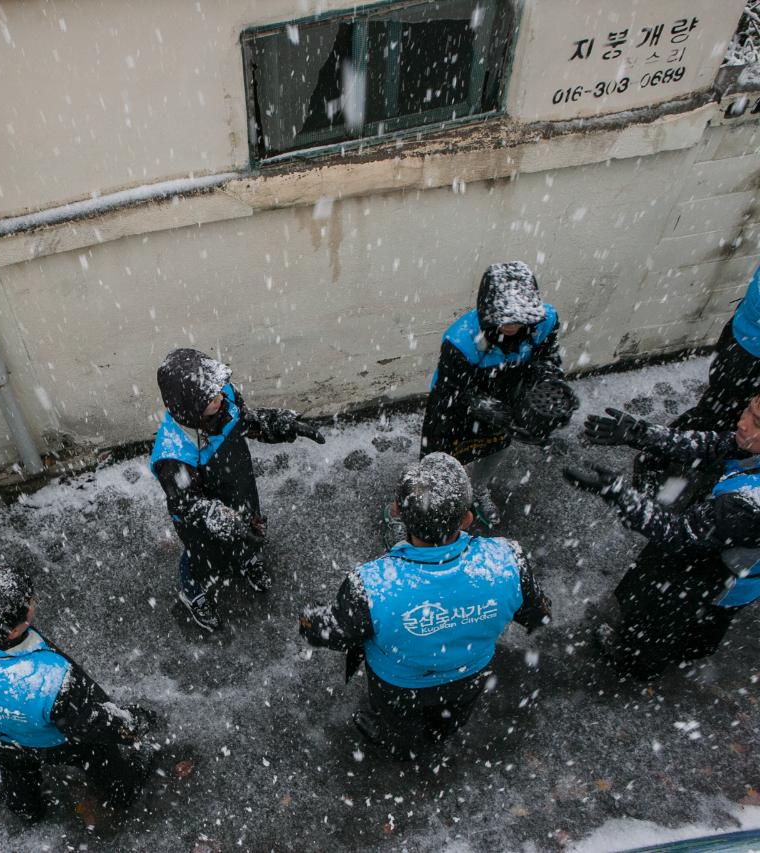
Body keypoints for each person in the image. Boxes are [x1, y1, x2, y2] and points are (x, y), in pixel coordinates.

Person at [300, 453, 551, 759]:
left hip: (397, 683)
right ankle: (438, 735)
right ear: (467, 519)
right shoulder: (508, 561)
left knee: (396, 720)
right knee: (454, 714)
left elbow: (338, 632)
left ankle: (398, 744)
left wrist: (309, 620)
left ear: (397, 513)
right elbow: (538, 614)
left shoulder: (370, 584)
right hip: (470, 673)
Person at [0, 565, 157, 822]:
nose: (35, 601)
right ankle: (122, 791)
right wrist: (132, 723)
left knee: (16, 772)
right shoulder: (49, 681)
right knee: (100, 758)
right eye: (31, 601)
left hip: (3, 737)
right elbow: (88, 724)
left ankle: (25, 808)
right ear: (13, 631)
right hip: (54, 743)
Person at [564, 393, 760, 679]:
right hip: (741, 573)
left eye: (756, 422)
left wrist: (621, 497)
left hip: (715, 572)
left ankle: (635, 663)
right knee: (709, 619)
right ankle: (691, 647)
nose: (742, 423)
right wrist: (640, 433)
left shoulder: (748, 505)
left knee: (659, 615)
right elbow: (709, 445)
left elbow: (677, 534)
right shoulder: (752, 446)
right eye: (747, 409)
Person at [150, 348, 326, 631]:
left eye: (220, 389)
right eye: (211, 397)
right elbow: (186, 504)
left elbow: (245, 421)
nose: (221, 397)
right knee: (201, 557)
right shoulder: (173, 452)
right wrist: (218, 518)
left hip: (239, 488)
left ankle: (246, 558)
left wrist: (280, 424)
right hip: (202, 522)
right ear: (190, 406)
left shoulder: (224, 398)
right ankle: (192, 590)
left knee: (247, 532)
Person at [419, 262, 574, 527]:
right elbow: (450, 390)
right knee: (437, 463)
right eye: (504, 318)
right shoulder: (460, 341)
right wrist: (483, 406)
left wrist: (547, 384)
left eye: (518, 318)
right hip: (454, 407)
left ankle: (478, 489)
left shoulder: (545, 321)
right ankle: (419, 507)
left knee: (496, 447)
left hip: (506, 394)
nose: (512, 325)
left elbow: (547, 356)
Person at [634, 263, 760, 499]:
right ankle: (659, 459)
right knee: (719, 418)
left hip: (747, 344)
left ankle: (685, 469)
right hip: (748, 351)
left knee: (731, 424)